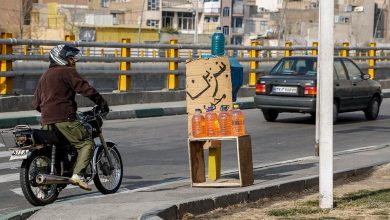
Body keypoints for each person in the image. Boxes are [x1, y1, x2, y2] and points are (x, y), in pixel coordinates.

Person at [32, 44, 109, 191]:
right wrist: (102, 103)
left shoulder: (44, 76)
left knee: (52, 148)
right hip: (65, 118)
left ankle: (45, 185)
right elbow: (86, 90)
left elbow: (35, 103)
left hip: (46, 120)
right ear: (60, 58)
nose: (73, 61)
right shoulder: (67, 71)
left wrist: (48, 111)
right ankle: (78, 176)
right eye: (70, 58)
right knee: (86, 143)